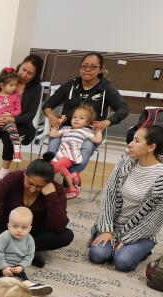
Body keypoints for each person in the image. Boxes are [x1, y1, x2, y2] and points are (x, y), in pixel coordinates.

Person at [0, 154, 73, 267]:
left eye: (39, 187)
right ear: (25, 174)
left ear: (49, 183)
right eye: (30, 183)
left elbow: (58, 226)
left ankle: (8, 250)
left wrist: (51, 196)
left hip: (33, 234)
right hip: (7, 230)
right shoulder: (12, 178)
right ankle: (28, 253)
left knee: (66, 235)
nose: (33, 189)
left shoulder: (56, 190)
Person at [89, 125, 163, 272]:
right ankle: (115, 245)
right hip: (113, 226)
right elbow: (108, 197)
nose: (130, 144)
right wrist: (106, 230)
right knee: (97, 255)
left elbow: (153, 221)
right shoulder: (124, 163)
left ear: (151, 147)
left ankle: (141, 248)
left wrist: (126, 239)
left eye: (136, 141)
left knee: (122, 262)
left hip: (141, 233)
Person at [42, 52, 129, 177]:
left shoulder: (106, 88)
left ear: (100, 70)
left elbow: (123, 109)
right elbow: (47, 105)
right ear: (80, 68)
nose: (88, 69)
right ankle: (48, 180)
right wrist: (52, 117)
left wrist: (108, 121)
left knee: (81, 159)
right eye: (84, 66)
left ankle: (68, 181)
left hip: (91, 132)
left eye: (93, 67)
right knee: (51, 153)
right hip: (66, 129)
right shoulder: (71, 85)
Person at [0, 55, 44, 187]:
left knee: (9, 138)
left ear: (35, 75)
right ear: (20, 65)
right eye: (23, 69)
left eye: (29, 73)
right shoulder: (7, 77)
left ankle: (1, 176)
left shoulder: (36, 88)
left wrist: (12, 119)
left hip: (19, 124)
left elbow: (31, 114)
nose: (24, 74)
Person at [0, 206, 53, 296]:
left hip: (14, 265)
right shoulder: (5, 236)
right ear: (9, 226)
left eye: (23, 228)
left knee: (21, 275)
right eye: (15, 226)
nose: (19, 230)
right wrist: (4, 266)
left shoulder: (30, 241)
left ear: (29, 229)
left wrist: (21, 266)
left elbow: (29, 257)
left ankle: (29, 286)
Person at [48, 105, 103, 198]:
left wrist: (99, 131)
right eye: (74, 117)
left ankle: (72, 188)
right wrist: (59, 123)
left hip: (71, 155)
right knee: (49, 169)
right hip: (60, 154)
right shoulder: (66, 129)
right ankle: (63, 183)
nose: (76, 120)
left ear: (87, 123)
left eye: (81, 118)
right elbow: (53, 134)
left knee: (59, 166)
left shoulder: (86, 131)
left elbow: (97, 140)